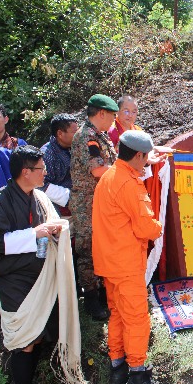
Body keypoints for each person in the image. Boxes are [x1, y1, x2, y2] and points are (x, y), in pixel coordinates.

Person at [0, 145, 86, 384]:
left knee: (39, 334)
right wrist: (36, 233)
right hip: (14, 279)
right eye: (41, 169)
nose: (45, 172)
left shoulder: (39, 197)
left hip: (41, 277)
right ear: (26, 172)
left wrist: (55, 231)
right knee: (24, 340)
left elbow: (49, 228)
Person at [92, 130, 171, 384]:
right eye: (146, 157)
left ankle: (117, 370)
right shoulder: (129, 183)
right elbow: (146, 228)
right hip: (126, 263)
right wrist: (159, 225)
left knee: (117, 314)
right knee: (137, 318)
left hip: (109, 262)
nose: (147, 161)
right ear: (138, 155)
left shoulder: (109, 176)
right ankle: (137, 376)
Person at [70, 94, 118, 320]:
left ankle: (102, 293)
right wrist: (128, 169)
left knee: (103, 247)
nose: (114, 121)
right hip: (87, 204)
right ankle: (90, 299)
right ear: (101, 113)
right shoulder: (86, 137)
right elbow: (98, 170)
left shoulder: (101, 135)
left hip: (101, 201)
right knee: (88, 250)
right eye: (112, 116)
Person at [41, 113, 78, 216]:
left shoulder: (75, 146)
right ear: (60, 134)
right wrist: (71, 197)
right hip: (58, 208)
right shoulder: (47, 154)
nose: (78, 135)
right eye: (75, 132)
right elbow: (41, 185)